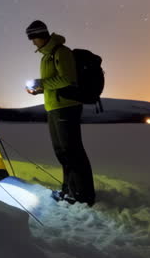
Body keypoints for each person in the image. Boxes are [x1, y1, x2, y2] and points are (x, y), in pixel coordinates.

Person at [24, 19, 96, 207]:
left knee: (73, 151)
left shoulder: (61, 52)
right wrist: (39, 90)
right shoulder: (46, 57)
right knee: (62, 152)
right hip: (54, 108)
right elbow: (53, 83)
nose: (33, 43)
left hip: (66, 107)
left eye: (33, 38)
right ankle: (69, 189)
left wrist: (42, 83)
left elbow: (67, 79)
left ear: (40, 36)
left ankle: (83, 194)